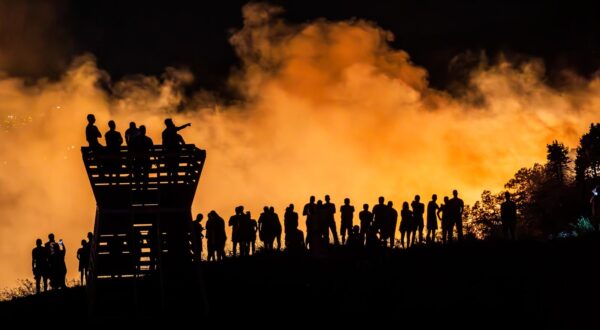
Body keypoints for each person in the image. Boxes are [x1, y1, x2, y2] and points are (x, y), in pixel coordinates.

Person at [162, 118, 191, 183]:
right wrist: (186, 125)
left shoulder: (164, 133)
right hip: (175, 154)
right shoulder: (177, 136)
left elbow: (163, 144)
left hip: (168, 154)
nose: (173, 123)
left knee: (170, 169)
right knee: (175, 168)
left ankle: (170, 182)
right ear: (169, 124)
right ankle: (174, 181)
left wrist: (163, 154)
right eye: (172, 122)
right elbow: (180, 128)